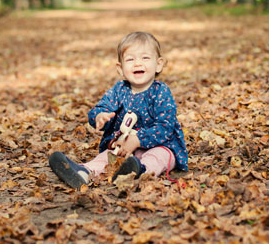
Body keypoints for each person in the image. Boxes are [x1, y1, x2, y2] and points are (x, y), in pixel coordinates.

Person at [49, 31, 188, 189]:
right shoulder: (118, 91)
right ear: (120, 68)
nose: (137, 63)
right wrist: (99, 116)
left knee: (157, 157)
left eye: (145, 58)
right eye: (130, 59)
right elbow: (101, 107)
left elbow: (166, 126)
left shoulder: (161, 91)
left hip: (160, 145)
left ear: (159, 64)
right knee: (106, 158)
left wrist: (138, 140)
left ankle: (140, 172)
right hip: (124, 148)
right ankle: (83, 172)